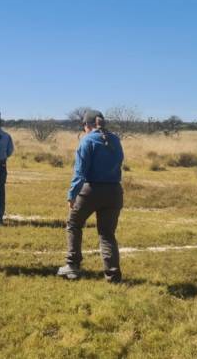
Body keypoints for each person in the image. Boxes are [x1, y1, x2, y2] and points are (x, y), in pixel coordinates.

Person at [58, 110, 125, 283]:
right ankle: (113, 274)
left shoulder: (86, 140)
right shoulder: (116, 140)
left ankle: (72, 266)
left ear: (87, 125)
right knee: (107, 234)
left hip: (91, 190)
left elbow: (79, 173)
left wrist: (72, 195)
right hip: (114, 191)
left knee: (74, 224)